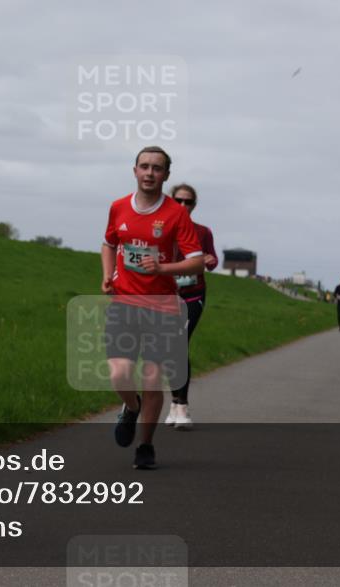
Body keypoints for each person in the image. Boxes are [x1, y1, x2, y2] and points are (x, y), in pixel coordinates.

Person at [101, 146, 204, 469]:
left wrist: (162, 269)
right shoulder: (118, 207)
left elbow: (197, 262)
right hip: (123, 302)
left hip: (162, 307)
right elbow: (109, 243)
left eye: (156, 168)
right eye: (144, 166)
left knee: (151, 378)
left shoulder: (176, 214)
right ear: (135, 171)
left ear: (166, 175)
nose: (149, 173)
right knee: (119, 373)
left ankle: (145, 446)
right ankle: (131, 408)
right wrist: (107, 275)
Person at [164, 183, 218, 430]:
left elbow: (212, 260)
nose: (183, 205)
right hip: (167, 295)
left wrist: (209, 259)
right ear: (171, 200)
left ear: (194, 205)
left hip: (193, 295)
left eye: (188, 201)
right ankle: (174, 404)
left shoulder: (203, 231)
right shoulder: (161, 228)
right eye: (179, 200)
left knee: (179, 344)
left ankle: (182, 406)